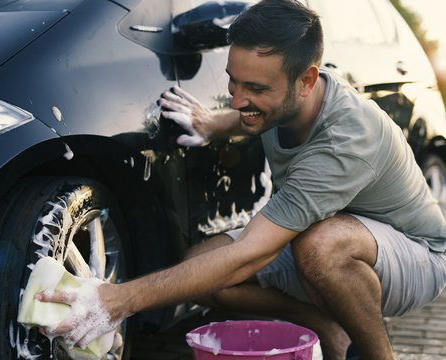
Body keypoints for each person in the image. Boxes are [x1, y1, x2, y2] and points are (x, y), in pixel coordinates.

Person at [35, 1, 446, 359]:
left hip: (415, 255)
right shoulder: (296, 92)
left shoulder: (345, 140)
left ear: (305, 80)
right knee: (198, 271)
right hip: (327, 233)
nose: (236, 98)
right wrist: (214, 124)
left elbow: (250, 253)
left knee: (319, 247)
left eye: (254, 87)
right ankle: (325, 324)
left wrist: (118, 301)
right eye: (233, 79)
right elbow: (262, 110)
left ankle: (378, 355)